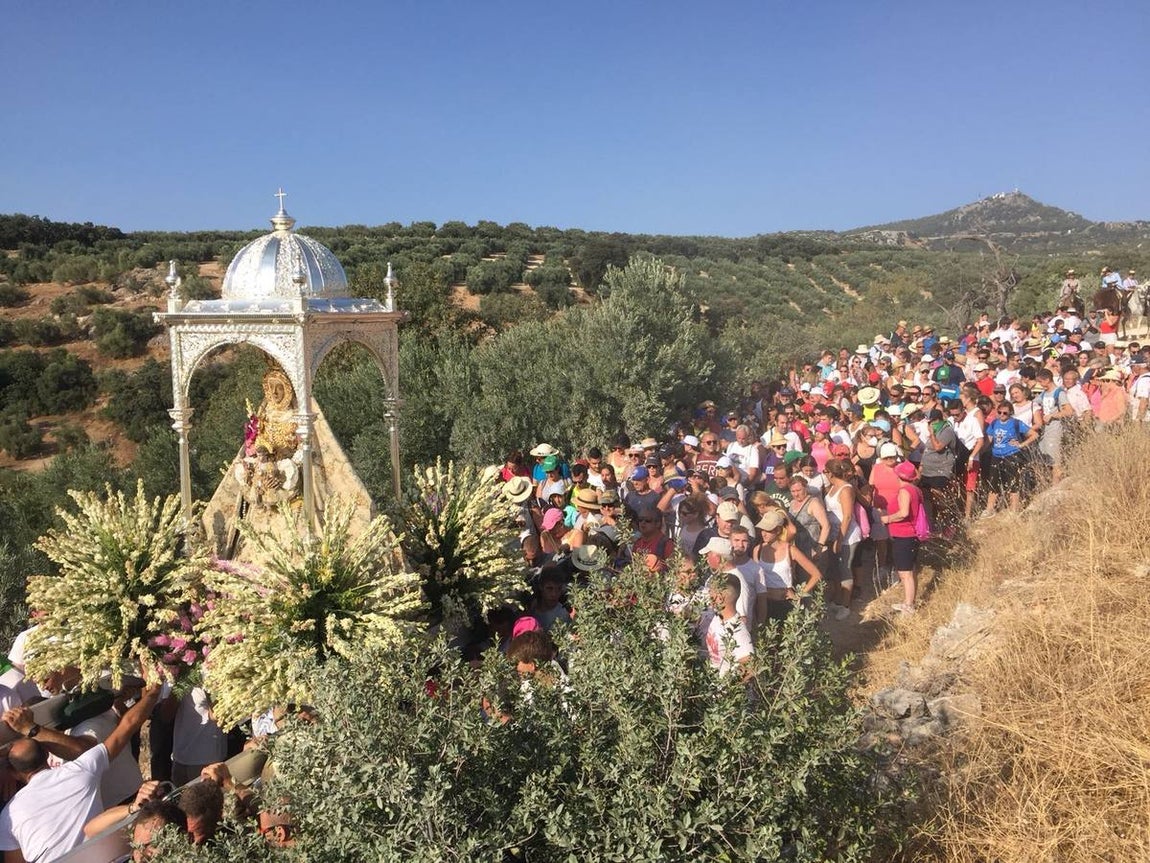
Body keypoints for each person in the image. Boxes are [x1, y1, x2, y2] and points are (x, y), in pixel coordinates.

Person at [0, 673, 162, 862]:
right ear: (46, 751)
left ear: (14, 773)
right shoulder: (79, 772)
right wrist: (154, 690)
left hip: (121, 802)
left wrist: (32, 729)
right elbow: (126, 728)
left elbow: (84, 747)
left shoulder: (9, 815)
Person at [754, 509, 822, 622]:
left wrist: (800, 594)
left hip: (786, 603)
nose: (763, 533)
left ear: (778, 530)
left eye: (768, 530)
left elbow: (816, 574)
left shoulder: (790, 550)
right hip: (764, 603)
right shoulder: (758, 550)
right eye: (762, 529)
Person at [877, 460, 924, 615]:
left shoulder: (905, 491)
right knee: (910, 570)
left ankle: (909, 605)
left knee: (905, 573)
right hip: (911, 534)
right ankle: (908, 601)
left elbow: (904, 513)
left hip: (904, 534)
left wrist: (887, 519)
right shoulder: (915, 489)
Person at [983, 400, 1039, 514]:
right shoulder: (994, 423)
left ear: (1010, 413)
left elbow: (1034, 434)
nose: (1002, 415)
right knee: (994, 482)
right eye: (999, 412)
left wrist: (1021, 444)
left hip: (1011, 455)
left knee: (1013, 482)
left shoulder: (1015, 423)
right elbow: (989, 439)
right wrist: (981, 451)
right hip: (996, 455)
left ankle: (1014, 509)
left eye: (1005, 413)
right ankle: (989, 508)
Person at [823, 458, 862, 621]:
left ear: (830, 473)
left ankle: (846, 605)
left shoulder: (846, 489)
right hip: (833, 534)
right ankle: (838, 599)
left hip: (847, 536)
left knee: (845, 568)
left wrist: (839, 539)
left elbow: (846, 516)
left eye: (825, 472)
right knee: (836, 569)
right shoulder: (832, 488)